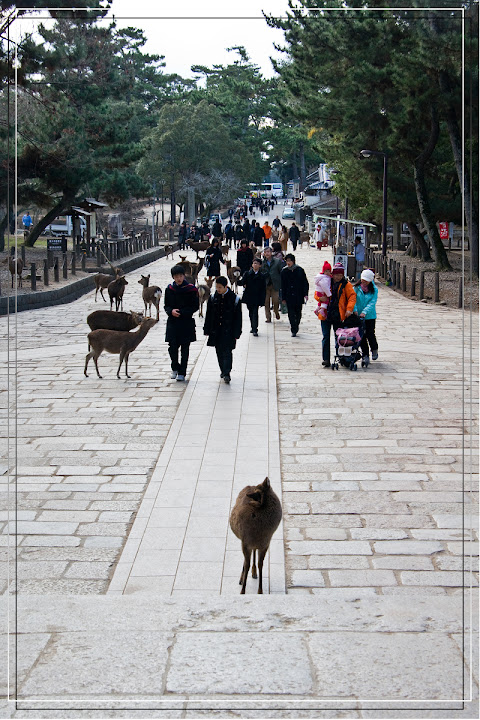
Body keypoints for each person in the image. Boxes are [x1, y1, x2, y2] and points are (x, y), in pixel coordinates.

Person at [204, 276, 242, 384]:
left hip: (229, 330)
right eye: (217, 287)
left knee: (227, 351)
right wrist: (207, 329)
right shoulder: (213, 298)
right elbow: (208, 315)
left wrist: (237, 332)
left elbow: (238, 318)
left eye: (220, 287)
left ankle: (227, 372)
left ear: (226, 286)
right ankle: (222, 369)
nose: (218, 289)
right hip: (216, 330)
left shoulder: (235, 299)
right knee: (219, 351)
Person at [164, 265, 199, 382]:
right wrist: (171, 311)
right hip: (173, 322)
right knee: (172, 347)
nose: (178, 278)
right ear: (173, 277)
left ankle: (182, 372)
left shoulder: (191, 290)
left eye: (180, 276)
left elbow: (195, 306)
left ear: (184, 276)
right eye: (176, 276)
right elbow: (166, 306)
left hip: (186, 322)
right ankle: (175, 367)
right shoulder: (169, 289)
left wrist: (183, 312)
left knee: (185, 349)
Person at [320, 262, 356, 368]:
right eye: (336, 275)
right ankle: (326, 359)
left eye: (340, 275)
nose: (338, 277)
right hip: (326, 314)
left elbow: (352, 296)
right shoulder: (326, 281)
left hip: (339, 315)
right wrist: (319, 298)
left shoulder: (346, 284)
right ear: (333, 274)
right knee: (325, 336)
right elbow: (318, 292)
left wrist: (349, 309)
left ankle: (340, 357)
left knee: (339, 337)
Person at [280, 253, 309, 337]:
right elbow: (282, 285)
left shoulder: (299, 270)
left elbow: (305, 283)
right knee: (291, 313)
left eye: (289, 261)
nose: (288, 263)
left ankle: (296, 325)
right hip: (288, 295)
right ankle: (293, 329)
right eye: (287, 261)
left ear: (293, 261)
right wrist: (283, 297)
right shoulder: (284, 271)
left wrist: (305, 294)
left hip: (298, 295)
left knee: (298, 312)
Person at [354, 268, 379, 362]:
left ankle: (374, 349)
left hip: (370, 316)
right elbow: (353, 299)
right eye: (363, 280)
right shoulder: (356, 288)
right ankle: (365, 354)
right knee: (361, 335)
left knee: (370, 333)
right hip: (358, 315)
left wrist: (365, 312)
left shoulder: (374, 290)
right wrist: (355, 310)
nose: (364, 282)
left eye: (366, 281)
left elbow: (372, 302)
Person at [237, 257, 266, 337]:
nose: (255, 265)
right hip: (249, 296)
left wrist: (262, 300)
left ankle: (255, 329)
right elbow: (242, 282)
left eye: (257, 263)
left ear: (260, 265)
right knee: (250, 312)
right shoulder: (247, 274)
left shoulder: (262, 276)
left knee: (255, 312)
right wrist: (236, 279)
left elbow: (263, 289)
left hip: (257, 297)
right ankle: (252, 326)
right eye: (254, 263)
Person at [261, 246, 283, 322]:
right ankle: (268, 317)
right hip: (266, 285)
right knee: (266, 302)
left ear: (271, 252)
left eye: (268, 252)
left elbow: (281, 272)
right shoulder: (262, 262)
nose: (267, 253)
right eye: (265, 252)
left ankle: (276, 311)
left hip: (275, 284)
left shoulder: (277, 261)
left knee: (276, 300)